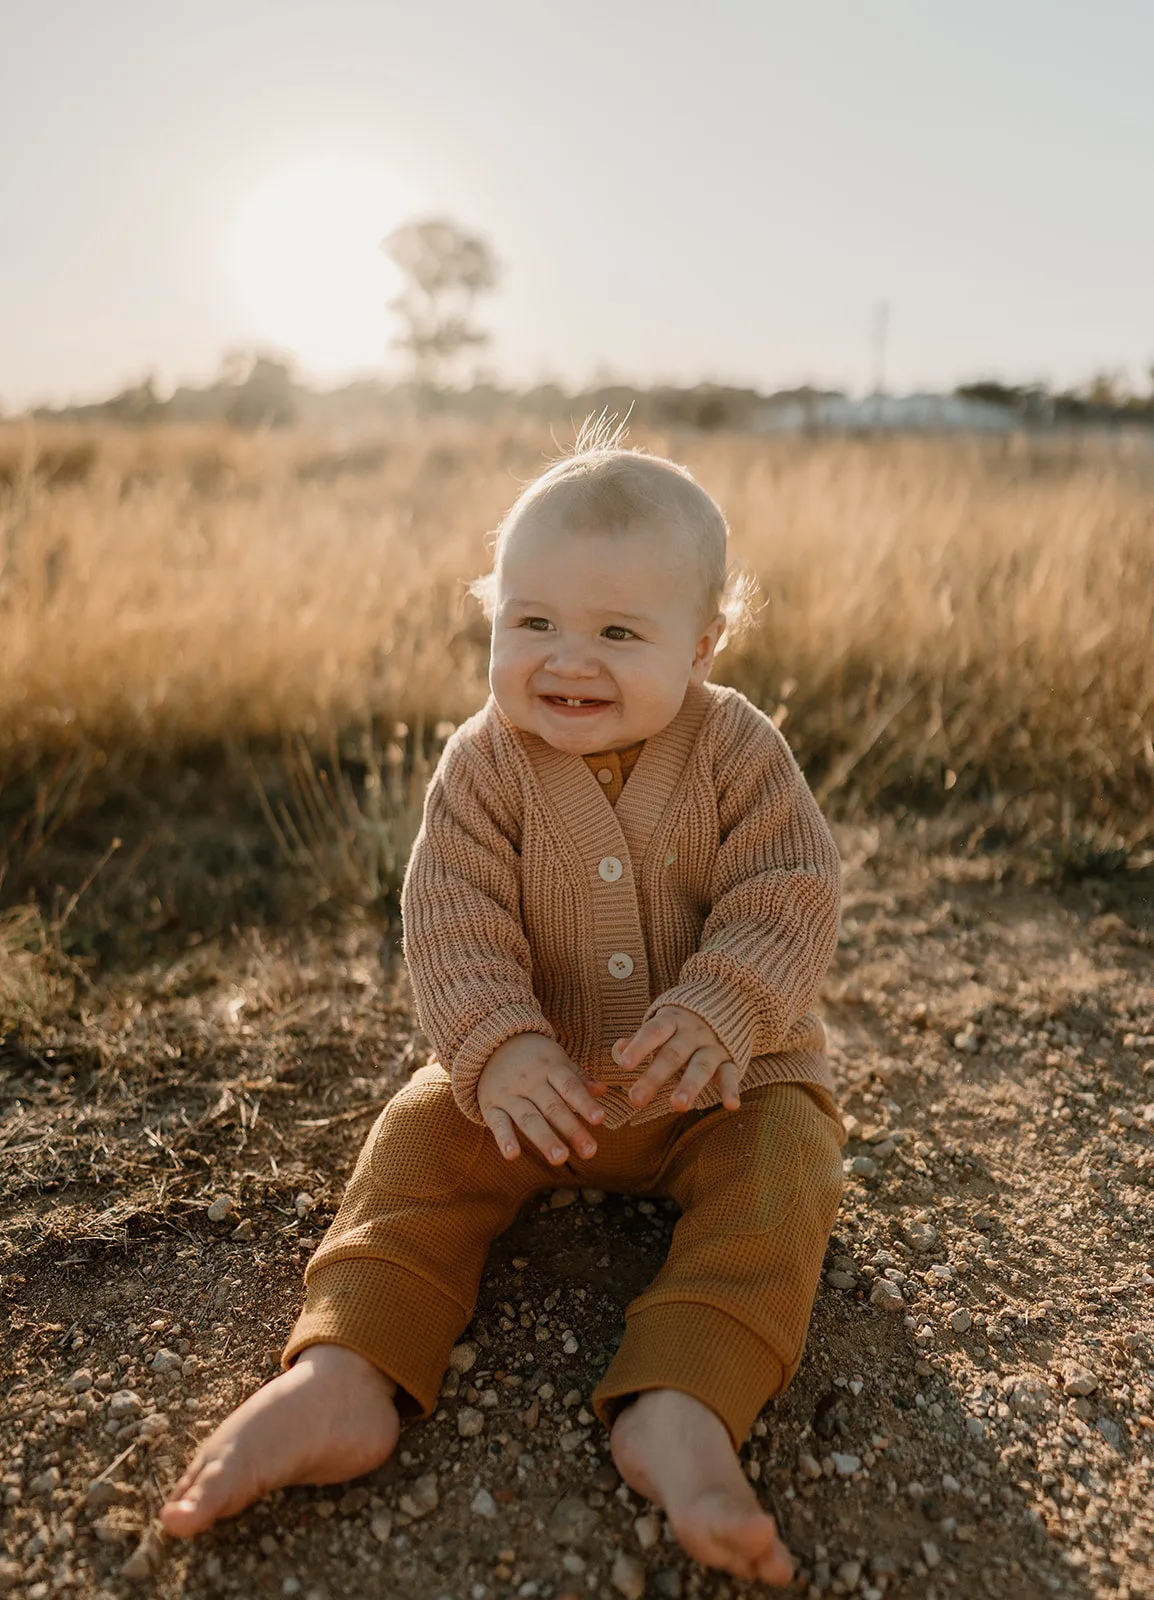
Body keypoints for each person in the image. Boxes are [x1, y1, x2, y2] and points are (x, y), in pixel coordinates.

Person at [161, 420, 845, 1587]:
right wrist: (501, 1045)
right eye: (531, 622)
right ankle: (345, 1367)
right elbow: (453, 921)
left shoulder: (739, 749)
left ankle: (683, 1399)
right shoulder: (482, 764)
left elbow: (788, 890)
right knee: (421, 1134)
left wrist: (725, 1005)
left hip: (715, 1079)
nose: (565, 659)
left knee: (785, 1162)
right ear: (493, 612)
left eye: (617, 632)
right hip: (534, 1082)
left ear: (704, 642)